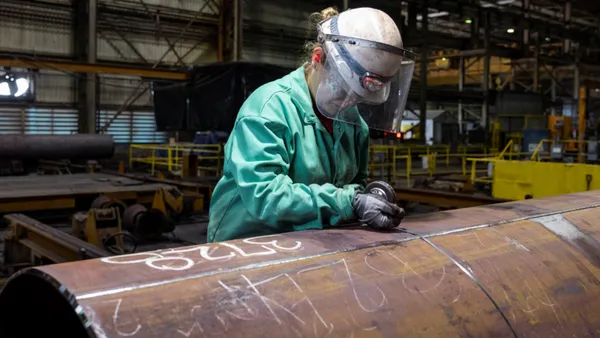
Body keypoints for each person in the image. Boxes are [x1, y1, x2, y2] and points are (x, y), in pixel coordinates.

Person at [207, 6, 416, 242]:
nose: (350, 102)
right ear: (318, 58)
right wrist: (349, 202)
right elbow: (265, 195)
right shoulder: (268, 110)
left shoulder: (354, 123)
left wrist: (368, 200)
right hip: (247, 244)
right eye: (343, 87)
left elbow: (355, 183)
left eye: (358, 96)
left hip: (312, 243)